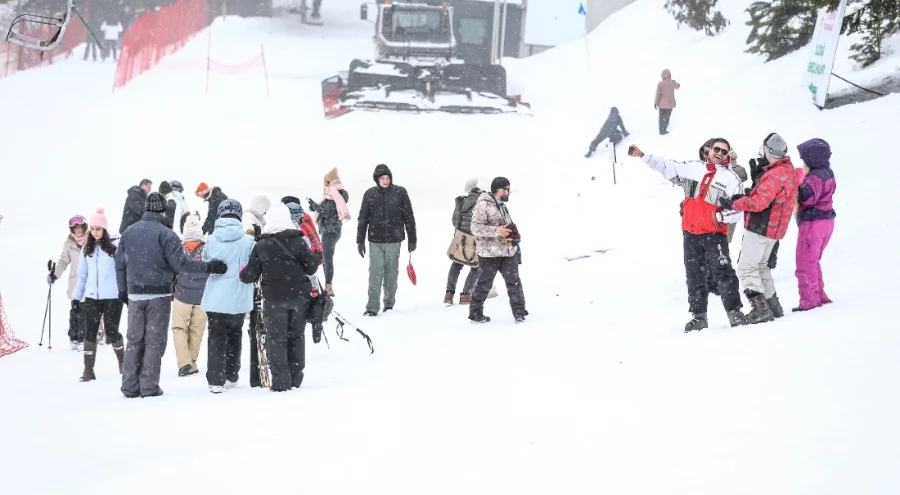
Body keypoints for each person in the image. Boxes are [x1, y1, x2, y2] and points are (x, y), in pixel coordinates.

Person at [115, 192, 227, 398]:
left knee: (134, 339)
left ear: (146, 209)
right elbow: (182, 265)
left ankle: (130, 386)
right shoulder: (167, 234)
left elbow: (120, 264)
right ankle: (148, 385)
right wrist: (210, 266)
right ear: (163, 211)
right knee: (154, 340)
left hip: (134, 294)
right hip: (159, 294)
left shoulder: (129, 232)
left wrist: (123, 290)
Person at [629, 140, 747, 331]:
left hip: (715, 235)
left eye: (724, 151)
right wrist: (643, 156)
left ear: (728, 155)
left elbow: (741, 210)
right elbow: (666, 166)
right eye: (716, 149)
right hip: (690, 233)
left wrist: (720, 215)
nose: (719, 153)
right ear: (708, 151)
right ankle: (699, 316)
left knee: (724, 274)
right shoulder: (692, 168)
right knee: (694, 275)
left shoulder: (731, 179)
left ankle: (735, 313)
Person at [239, 203, 320, 392]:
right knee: (297, 336)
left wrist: (242, 274)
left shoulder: (262, 244)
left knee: (276, 339)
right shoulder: (299, 241)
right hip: (300, 297)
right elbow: (311, 267)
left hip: (274, 298)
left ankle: (281, 380)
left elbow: (250, 275)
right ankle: (296, 377)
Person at [720, 133, 799, 323]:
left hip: (760, 227)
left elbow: (759, 203)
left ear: (769, 151)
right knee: (761, 266)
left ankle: (760, 308)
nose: (760, 153)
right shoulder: (787, 170)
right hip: (774, 229)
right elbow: (770, 198)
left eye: (762, 149)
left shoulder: (774, 175)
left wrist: (734, 203)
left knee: (746, 269)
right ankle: (774, 307)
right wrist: (753, 189)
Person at [200, 199, 256, 393]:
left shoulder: (212, 239)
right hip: (238, 298)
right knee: (235, 334)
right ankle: (232, 375)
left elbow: (205, 260)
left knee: (216, 335)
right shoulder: (249, 241)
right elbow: (253, 266)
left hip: (215, 299)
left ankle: (215, 380)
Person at [356, 164, 417, 316]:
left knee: (391, 274)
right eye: (382, 178)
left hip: (394, 241)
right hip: (375, 241)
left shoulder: (400, 192)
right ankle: (372, 307)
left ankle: (389, 304)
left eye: (387, 177)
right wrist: (360, 240)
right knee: (375, 274)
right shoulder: (370, 194)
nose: (385, 180)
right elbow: (363, 219)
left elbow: (409, 217)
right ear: (377, 179)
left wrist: (412, 239)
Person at [71, 208, 124, 381]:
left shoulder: (115, 247)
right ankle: (88, 370)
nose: (94, 232)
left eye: (98, 229)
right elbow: (83, 276)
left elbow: (123, 271)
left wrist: (124, 291)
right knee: (90, 332)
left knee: (112, 331)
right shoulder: (87, 248)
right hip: (92, 297)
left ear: (104, 229)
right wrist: (76, 298)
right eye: (92, 229)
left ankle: (122, 362)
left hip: (113, 297)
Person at [468, 177, 528, 323]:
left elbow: (506, 225)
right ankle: (475, 314)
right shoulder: (483, 205)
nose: (509, 192)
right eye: (508, 189)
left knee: (514, 281)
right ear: (500, 190)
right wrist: (497, 231)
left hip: (507, 251)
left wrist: (513, 234)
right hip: (489, 254)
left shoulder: (501, 205)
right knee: (484, 283)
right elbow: (475, 228)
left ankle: (519, 312)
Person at [793, 138, 836, 312]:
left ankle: (809, 300)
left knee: (804, 262)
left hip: (813, 223)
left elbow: (808, 198)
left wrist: (798, 182)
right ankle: (819, 294)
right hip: (826, 221)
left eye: (805, 158)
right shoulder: (827, 172)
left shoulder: (815, 176)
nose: (803, 162)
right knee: (813, 260)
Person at [171, 216, 209, 377]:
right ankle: (192, 363)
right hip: (203, 297)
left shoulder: (178, 249)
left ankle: (184, 362)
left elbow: (172, 272)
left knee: (179, 328)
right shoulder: (208, 250)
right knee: (196, 331)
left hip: (182, 296)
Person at [307, 167, 351, 297]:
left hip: (331, 231)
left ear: (330, 181)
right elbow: (327, 210)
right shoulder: (334, 194)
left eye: (325, 181)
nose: (324, 184)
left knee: (327, 259)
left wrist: (315, 206)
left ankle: (328, 286)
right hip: (331, 230)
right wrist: (315, 207)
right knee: (327, 258)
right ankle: (328, 285)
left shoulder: (335, 194)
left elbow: (327, 212)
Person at [241, 195, 271, 388]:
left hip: (253, 274)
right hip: (252, 276)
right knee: (256, 323)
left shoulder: (255, 219)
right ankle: (255, 374)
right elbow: (251, 244)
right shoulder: (249, 221)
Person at [49, 214, 88, 350]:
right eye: (75, 227)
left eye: (80, 227)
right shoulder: (69, 243)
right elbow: (63, 262)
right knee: (75, 310)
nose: (78, 230)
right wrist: (54, 275)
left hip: (88, 283)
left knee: (85, 311)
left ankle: (84, 337)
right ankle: (74, 337)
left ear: (84, 227)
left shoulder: (91, 240)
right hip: (75, 282)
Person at [445, 178, 482, 305]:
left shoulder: (462, 202)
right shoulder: (483, 203)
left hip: (461, 239)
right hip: (475, 242)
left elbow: (455, 222)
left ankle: (449, 294)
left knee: (456, 264)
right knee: (476, 268)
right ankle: (466, 295)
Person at [655, 69, 681, 135]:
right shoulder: (672, 82)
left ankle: (661, 130)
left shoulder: (660, 84)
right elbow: (677, 87)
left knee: (661, 118)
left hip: (662, 105)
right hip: (669, 104)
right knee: (667, 117)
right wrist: (678, 84)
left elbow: (658, 94)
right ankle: (664, 129)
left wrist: (655, 103)